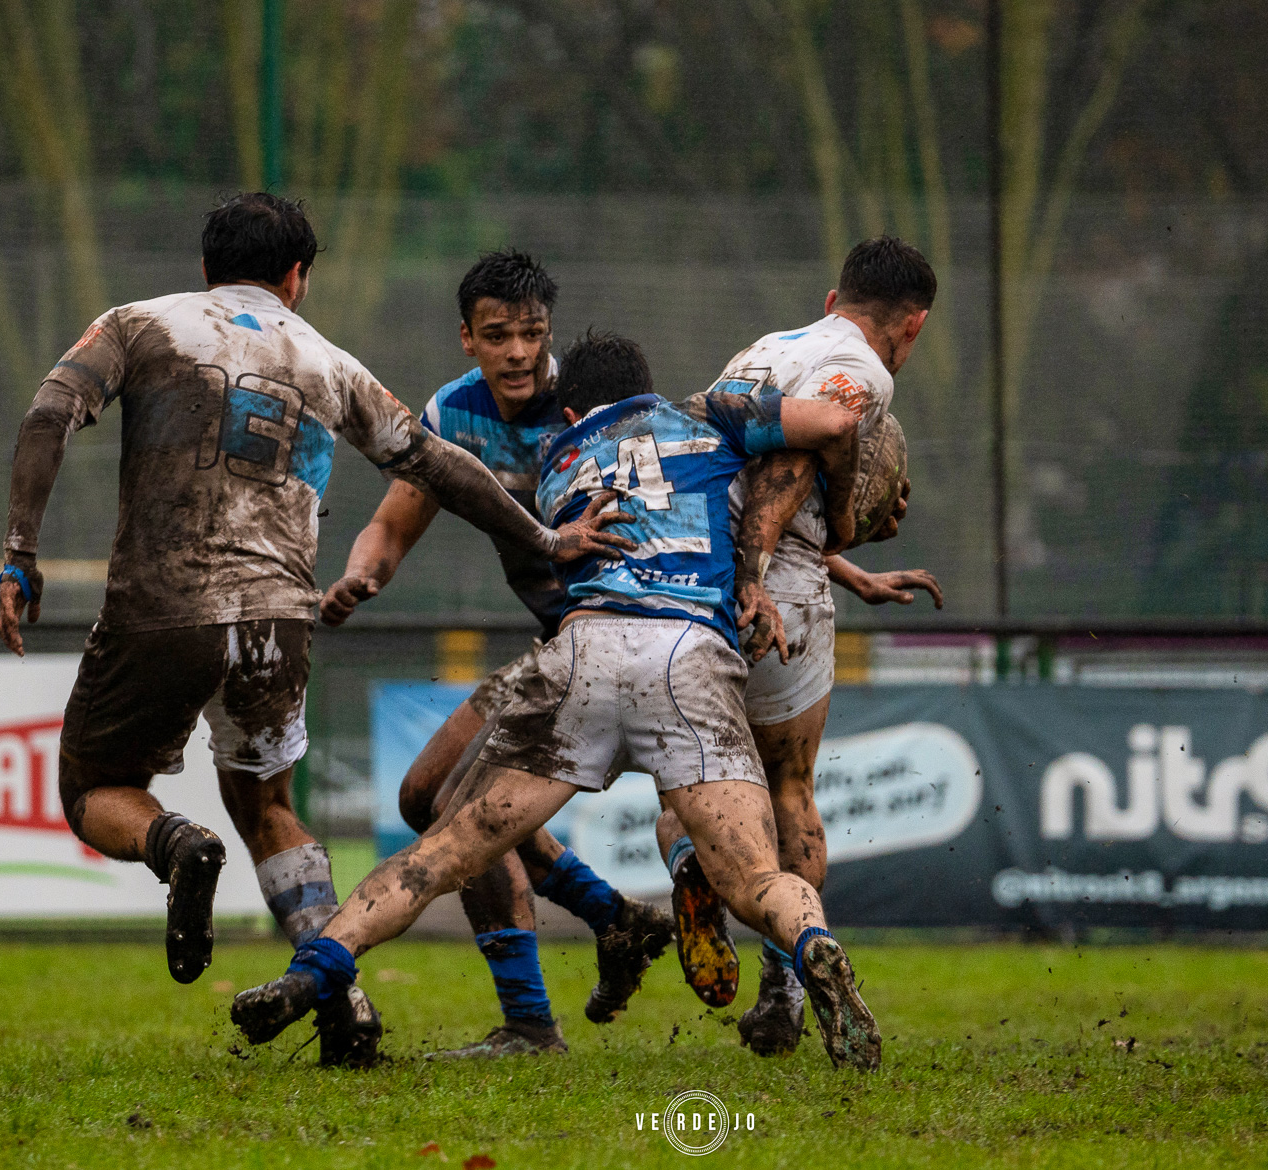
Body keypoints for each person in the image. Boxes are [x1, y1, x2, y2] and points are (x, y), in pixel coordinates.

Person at [0, 193, 629, 1068]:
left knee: (94, 787)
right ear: (297, 277)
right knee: (269, 806)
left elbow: (48, 413)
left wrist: (20, 553)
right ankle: (346, 1004)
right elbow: (440, 466)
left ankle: (175, 843)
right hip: (277, 624)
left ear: (207, 267)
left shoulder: (140, 324)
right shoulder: (327, 359)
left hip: (162, 607)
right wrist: (547, 538)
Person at [231, 331, 884, 1072]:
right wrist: (841, 522)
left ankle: (315, 968)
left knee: (441, 848)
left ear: (570, 409)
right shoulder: (711, 416)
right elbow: (831, 427)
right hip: (688, 655)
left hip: (581, 653)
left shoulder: (555, 461)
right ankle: (811, 943)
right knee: (754, 877)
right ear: (651, 387)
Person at [318, 251, 674, 1059]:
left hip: (624, 640)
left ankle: (531, 1019)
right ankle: (613, 918)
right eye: (498, 335)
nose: (518, 352)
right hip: (555, 646)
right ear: (467, 338)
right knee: (424, 796)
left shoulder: (590, 405)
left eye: (532, 334)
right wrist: (360, 575)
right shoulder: (454, 414)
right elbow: (393, 521)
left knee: (454, 808)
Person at [659, 235, 943, 1059]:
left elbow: (730, 474)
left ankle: (693, 867)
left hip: (694, 578)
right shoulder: (867, 373)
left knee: (686, 791)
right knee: (789, 787)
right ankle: (786, 984)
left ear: (831, 301)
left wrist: (846, 567)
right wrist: (787, 560)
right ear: (914, 325)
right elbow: (788, 466)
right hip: (771, 590)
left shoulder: (761, 351)